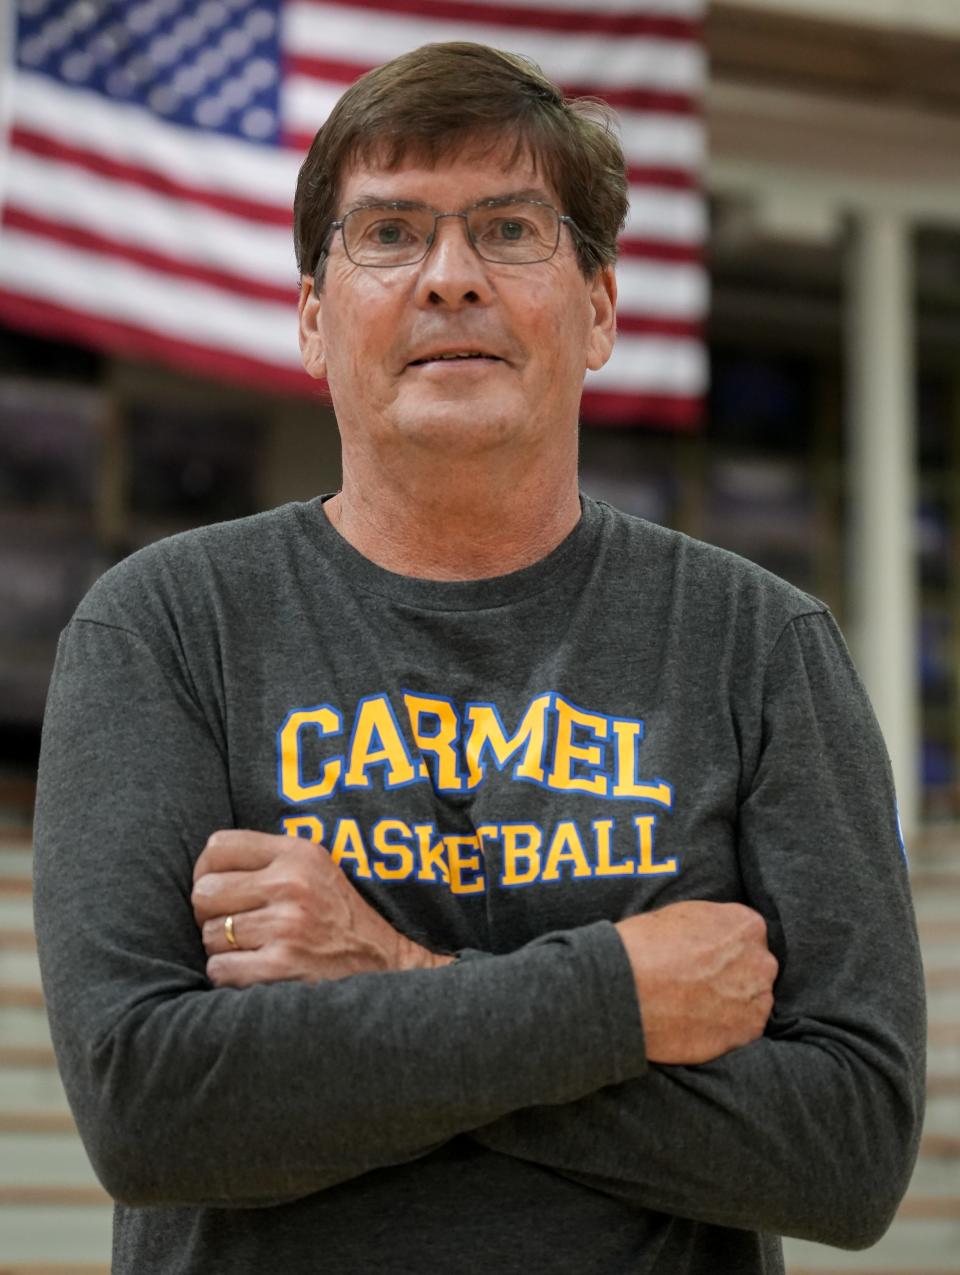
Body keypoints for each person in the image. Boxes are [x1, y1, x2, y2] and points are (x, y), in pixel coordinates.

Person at [33, 41, 925, 1275]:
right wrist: (617, 1000)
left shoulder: (758, 647)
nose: (450, 279)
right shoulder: (166, 628)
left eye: (510, 231)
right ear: (309, 318)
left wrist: (390, 973)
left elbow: (853, 1152)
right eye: (389, 235)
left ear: (602, 308)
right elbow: (151, 1109)